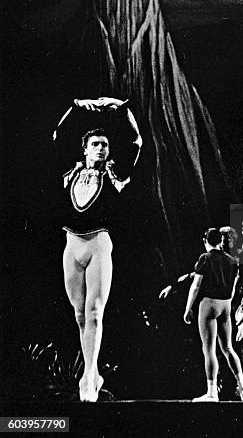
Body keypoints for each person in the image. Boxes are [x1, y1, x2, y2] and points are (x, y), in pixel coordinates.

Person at [53, 97, 142, 402]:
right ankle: (93, 372)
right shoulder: (71, 173)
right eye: (96, 144)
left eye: (105, 144)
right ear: (86, 148)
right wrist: (77, 106)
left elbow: (136, 141)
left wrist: (123, 108)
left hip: (98, 245)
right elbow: (58, 136)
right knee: (79, 315)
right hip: (71, 245)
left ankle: (89, 376)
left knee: (94, 312)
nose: (102, 148)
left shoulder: (114, 175)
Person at [183, 228, 243, 402]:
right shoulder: (231, 260)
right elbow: (234, 287)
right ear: (220, 241)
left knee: (209, 350)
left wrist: (188, 308)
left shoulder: (205, 258)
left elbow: (196, 286)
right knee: (228, 348)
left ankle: (212, 392)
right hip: (226, 306)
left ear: (205, 241)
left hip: (209, 305)